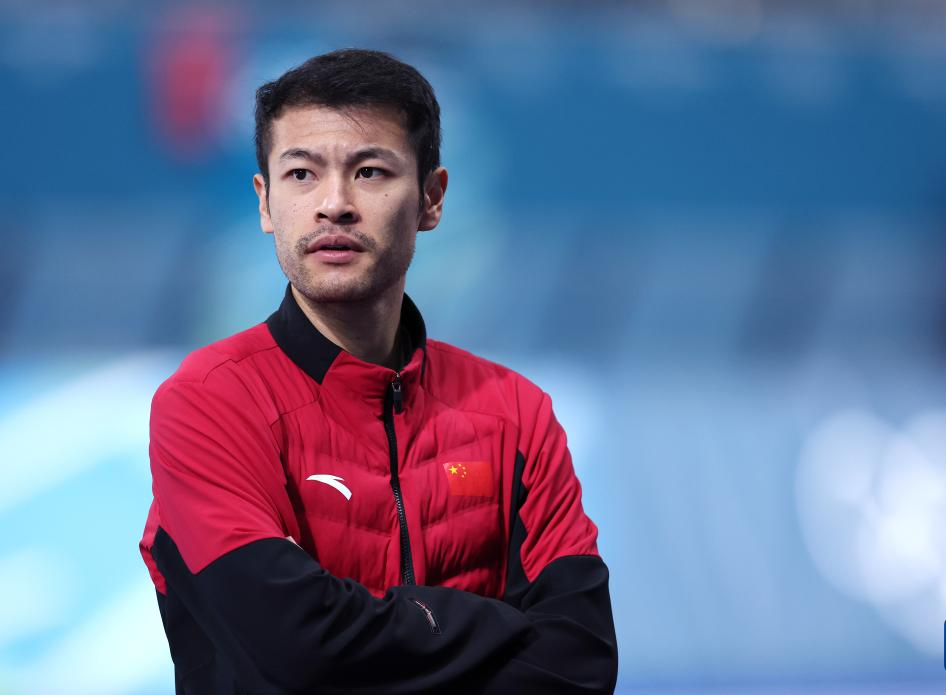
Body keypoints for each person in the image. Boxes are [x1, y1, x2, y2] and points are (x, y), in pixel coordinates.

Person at [139, 48, 616, 694]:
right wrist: (490, 623)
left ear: (431, 199)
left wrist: (363, 630)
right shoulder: (207, 402)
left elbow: (581, 660)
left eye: (369, 172)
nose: (334, 204)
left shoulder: (516, 415)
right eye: (302, 174)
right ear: (265, 202)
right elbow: (293, 648)